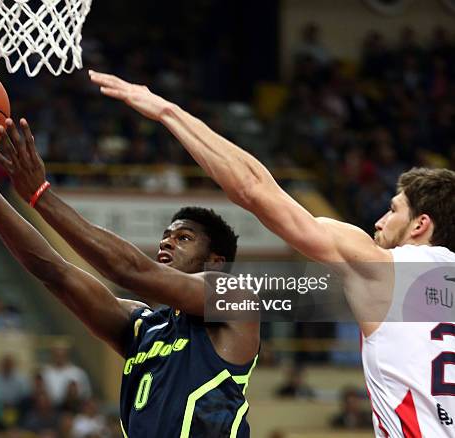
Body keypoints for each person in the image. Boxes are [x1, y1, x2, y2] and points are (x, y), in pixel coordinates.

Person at [88, 70, 455, 437]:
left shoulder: (382, 269)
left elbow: (252, 188)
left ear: (420, 225)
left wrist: (168, 112)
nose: (379, 221)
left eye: (393, 210)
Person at [0, 121, 260, 437]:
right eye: (166, 236)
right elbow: (55, 272)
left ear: (216, 263)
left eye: (183, 238)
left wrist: (40, 196)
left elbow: (132, 270)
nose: (167, 242)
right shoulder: (144, 327)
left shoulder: (236, 298)